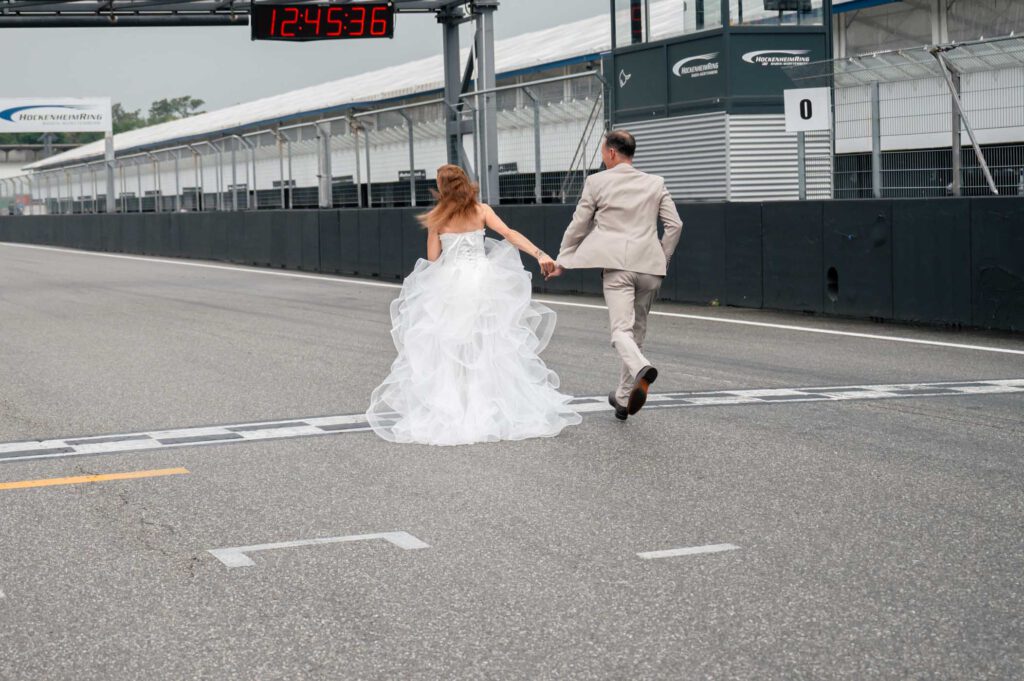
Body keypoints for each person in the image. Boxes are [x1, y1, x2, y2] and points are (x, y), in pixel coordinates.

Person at [366, 164, 582, 446]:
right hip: (484, 281)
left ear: (442, 188)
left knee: (451, 344)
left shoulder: (436, 218)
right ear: (466, 183)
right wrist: (539, 253)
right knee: (490, 342)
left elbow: (433, 260)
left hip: (451, 285)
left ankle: (458, 401)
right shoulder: (482, 211)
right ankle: (492, 401)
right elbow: (509, 234)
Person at [547, 130, 683, 422]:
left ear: (610, 153)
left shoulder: (597, 182)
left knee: (621, 331)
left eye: (602, 152)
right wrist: (663, 257)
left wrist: (563, 260)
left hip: (618, 268)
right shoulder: (656, 183)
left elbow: (579, 224)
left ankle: (641, 368)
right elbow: (675, 226)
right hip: (651, 268)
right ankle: (623, 398)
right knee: (636, 334)